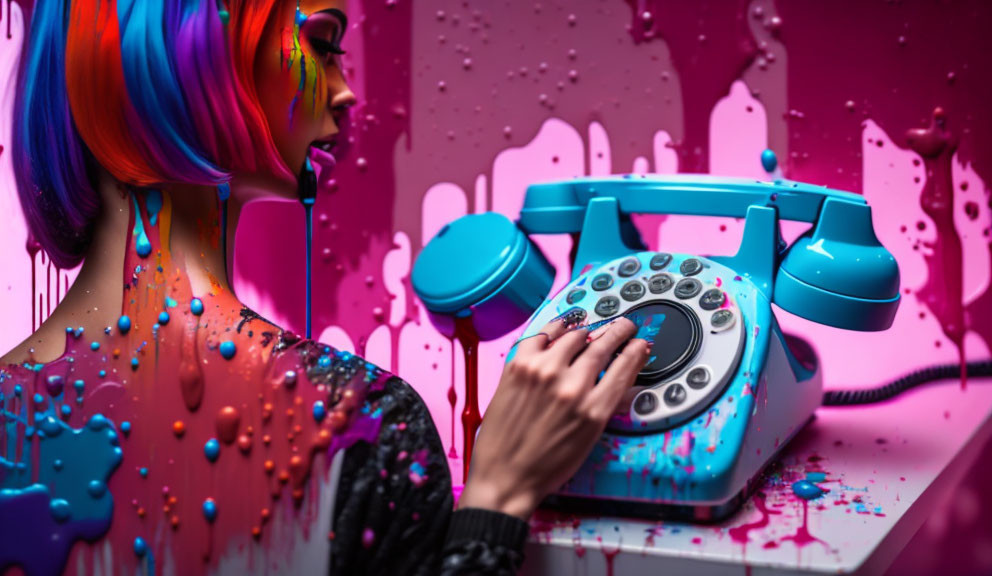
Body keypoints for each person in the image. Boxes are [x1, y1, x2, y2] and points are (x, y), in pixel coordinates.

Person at [0, 1, 650, 574]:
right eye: (322, 42)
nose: (346, 91)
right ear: (197, 49)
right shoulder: (361, 426)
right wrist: (496, 504)